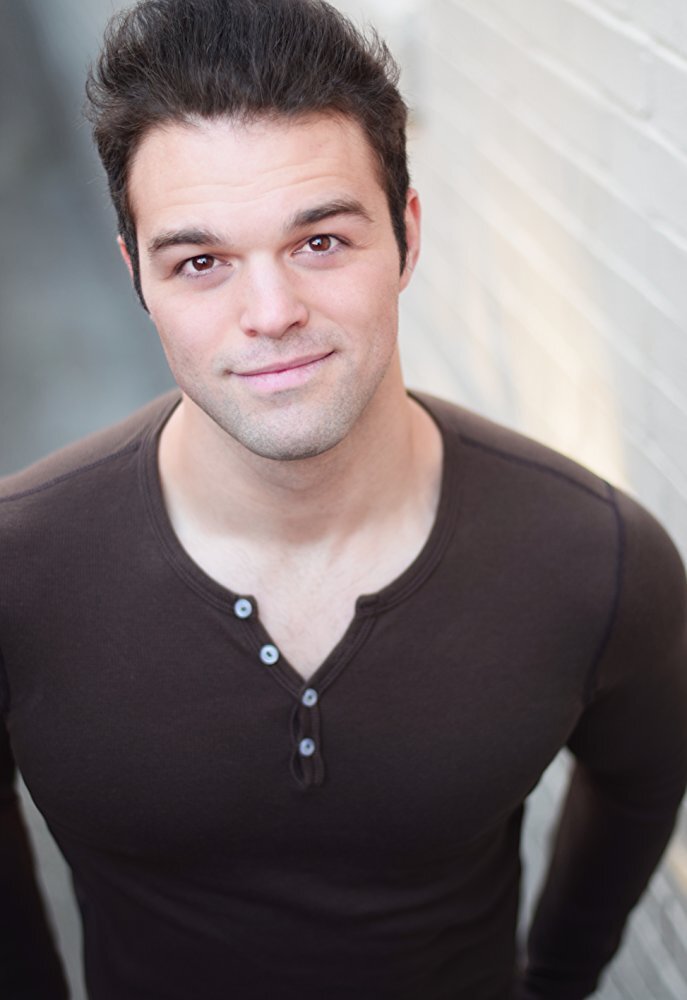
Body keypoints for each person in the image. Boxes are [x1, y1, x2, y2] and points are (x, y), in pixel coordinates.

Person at [1, 0, 686, 997]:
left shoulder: (598, 563)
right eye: (200, 262)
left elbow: (640, 787)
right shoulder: (19, 575)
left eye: (320, 241)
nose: (271, 313)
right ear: (138, 278)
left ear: (406, 235)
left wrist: (554, 979)